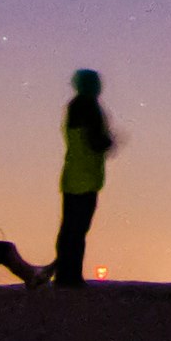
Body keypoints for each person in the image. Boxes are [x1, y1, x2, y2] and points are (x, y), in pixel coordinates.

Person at [51, 68, 115, 286]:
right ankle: (70, 277)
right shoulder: (89, 108)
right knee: (77, 230)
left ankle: (64, 275)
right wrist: (110, 141)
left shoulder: (74, 106)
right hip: (86, 178)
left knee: (69, 228)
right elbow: (96, 142)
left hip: (72, 176)